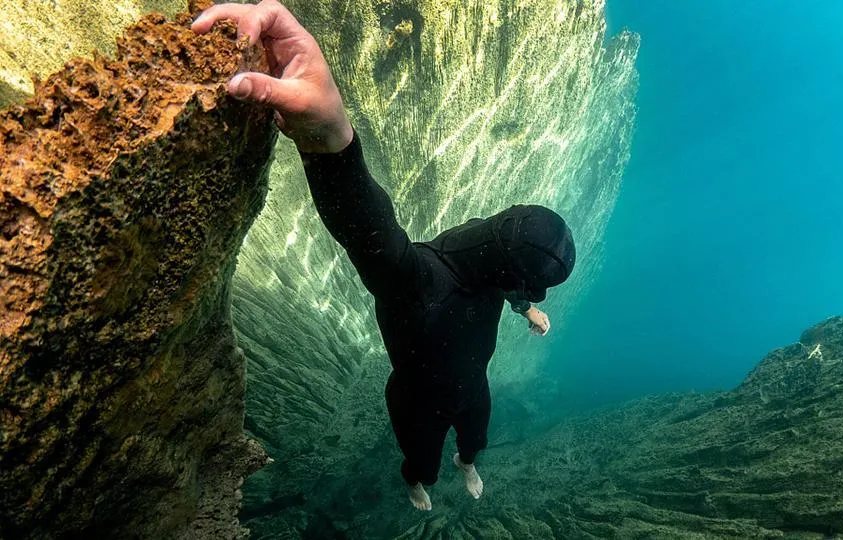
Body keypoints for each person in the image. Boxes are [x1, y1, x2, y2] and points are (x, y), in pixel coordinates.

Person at [193, 0, 576, 511]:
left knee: (474, 438)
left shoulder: (485, 261)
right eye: (532, 286)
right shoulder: (418, 284)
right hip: (419, 401)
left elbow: (500, 279)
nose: (528, 291)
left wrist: (524, 307)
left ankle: (467, 462)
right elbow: (367, 228)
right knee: (420, 458)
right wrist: (328, 134)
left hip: (471, 386)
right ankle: (417, 481)